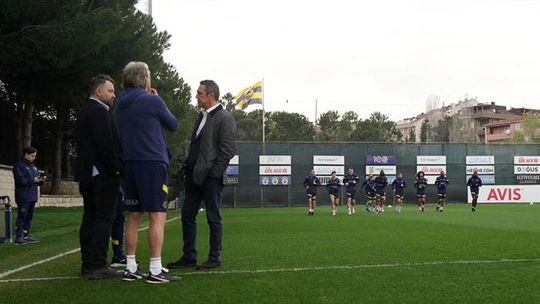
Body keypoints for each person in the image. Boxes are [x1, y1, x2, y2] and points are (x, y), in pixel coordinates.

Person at [115, 62, 179, 283]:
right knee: (157, 216)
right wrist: (157, 98)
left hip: (130, 164)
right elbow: (173, 124)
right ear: (145, 79)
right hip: (152, 163)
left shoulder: (120, 104)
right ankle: (155, 269)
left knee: (132, 216)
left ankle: (130, 267)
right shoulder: (152, 100)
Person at [167, 80, 236, 271]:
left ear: (211, 96)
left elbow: (227, 150)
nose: (196, 96)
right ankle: (189, 256)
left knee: (213, 217)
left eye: (199, 93)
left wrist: (213, 174)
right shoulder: (201, 116)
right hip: (194, 176)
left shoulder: (224, 118)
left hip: (210, 178)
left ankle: (215, 257)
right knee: (187, 215)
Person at [75, 74, 123, 280]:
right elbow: (106, 145)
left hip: (87, 174)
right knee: (103, 218)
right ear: (98, 91)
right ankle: (97, 264)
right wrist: (116, 169)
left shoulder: (85, 111)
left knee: (90, 217)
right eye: (110, 91)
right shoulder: (99, 112)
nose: (114, 95)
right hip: (102, 176)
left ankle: (88, 263)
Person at [12, 146, 45, 244]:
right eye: (32, 156)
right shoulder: (19, 166)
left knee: (29, 217)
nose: (34, 158)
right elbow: (20, 181)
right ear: (26, 154)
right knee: (22, 216)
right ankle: (18, 237)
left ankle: (26, 235)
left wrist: (40, 180)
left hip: (32, 195)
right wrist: (33, 180)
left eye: (35, 156)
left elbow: (36, 181)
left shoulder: (33, 166)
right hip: (23, 196)